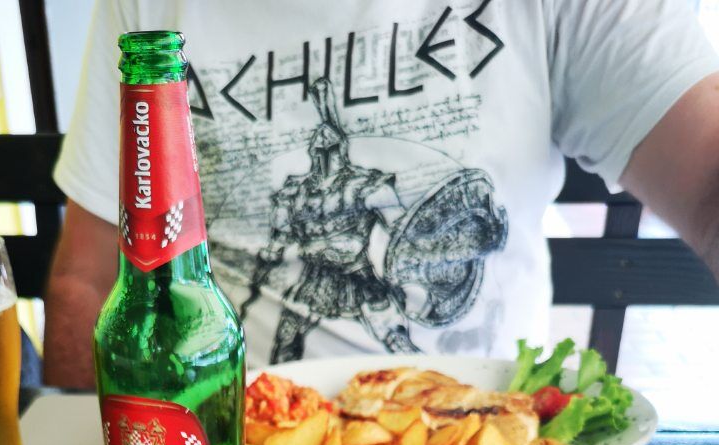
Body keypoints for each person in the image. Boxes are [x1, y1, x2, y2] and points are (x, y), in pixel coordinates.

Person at [44, 0, 719, 386]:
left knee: (400, 339)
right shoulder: (148, 12)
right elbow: (88, 278)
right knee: (286, 342)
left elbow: (707, 171)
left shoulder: (367, 187)